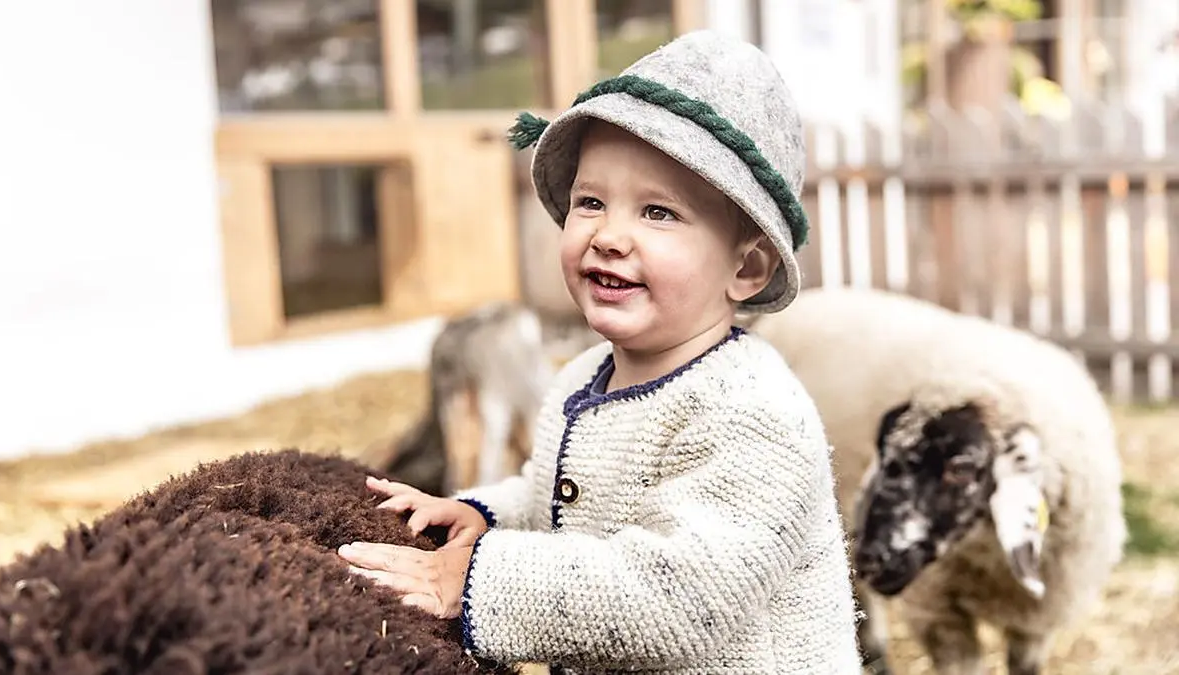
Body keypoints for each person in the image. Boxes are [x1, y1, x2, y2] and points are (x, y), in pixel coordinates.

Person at [337, 29, 863, 674]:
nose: (609, 235)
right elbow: (557, 502)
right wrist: (481, 517)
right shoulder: (587, 376)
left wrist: (473, 578)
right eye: (591, 202)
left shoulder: (752, 414)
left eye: (659, 213)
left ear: (746, 269)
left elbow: (679, 602)